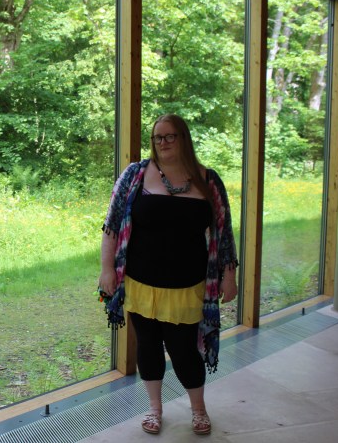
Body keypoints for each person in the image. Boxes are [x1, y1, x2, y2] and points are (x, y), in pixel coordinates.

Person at [98, 113, 239, 435]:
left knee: (184, 350)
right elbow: (112, 225)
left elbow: (223, 232)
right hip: (140, 282)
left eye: (170, 136)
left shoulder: (208, 180)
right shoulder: (135, 175)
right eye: (157, 137)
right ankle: (154, 408)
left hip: (187, 285)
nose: (162, 142)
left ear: (184, 139)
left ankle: (198, 409)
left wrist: (229, 276)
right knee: (148, 346)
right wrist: (107, 270)